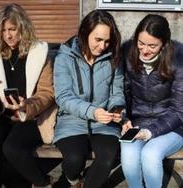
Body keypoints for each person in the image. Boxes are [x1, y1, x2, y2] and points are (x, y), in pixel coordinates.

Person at [0, 3, 57, 188]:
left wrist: (26, 106)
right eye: (3, 30)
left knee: (11, 148)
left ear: (23, 27)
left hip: (30, 117)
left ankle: (41, 182)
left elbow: (47, 93)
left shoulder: (39, 53)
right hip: (3, 114)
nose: (8, 35)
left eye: (12, 29)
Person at [53, 10, 125, 188]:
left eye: (107, 41)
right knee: (74, 159)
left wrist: (117, 109)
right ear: (84, 33)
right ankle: (72, 180)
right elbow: (63, 96)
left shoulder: (114, 58)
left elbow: (117, 92)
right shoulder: (64, 57)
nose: (103, 46)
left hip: (104, 123)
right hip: (71, 120)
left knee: (108, 157)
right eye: (98, 40)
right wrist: (92, 112)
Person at [120, 14, 183, 188]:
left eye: (152, 45)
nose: (145, 50)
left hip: (173, 126)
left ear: (164, 44)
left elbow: (179, 110)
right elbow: (122, 94)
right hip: (138, 122)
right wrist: (124, 118)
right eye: (141, 43)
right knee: (129, 156)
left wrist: (150, 132)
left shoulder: (179, 58)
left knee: (150, 154)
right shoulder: (127, 52)